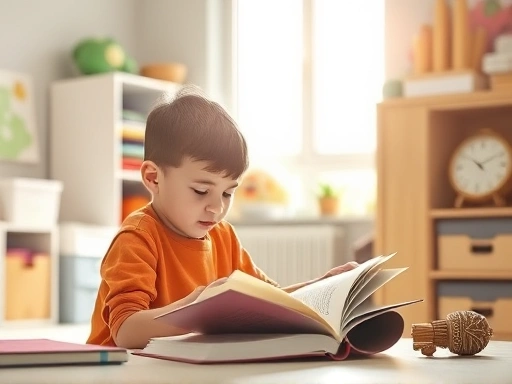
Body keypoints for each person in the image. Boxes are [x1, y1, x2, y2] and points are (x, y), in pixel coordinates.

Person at [86, 87, 358, 349]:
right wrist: (195, 309)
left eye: (228, 193)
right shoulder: (137, 237)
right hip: (122, 371)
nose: (216, 208)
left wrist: (321, 283)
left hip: (182, 366)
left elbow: (268, 299)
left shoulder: (223, 236)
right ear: (153, 178)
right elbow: (125, 331)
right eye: (201, 191)